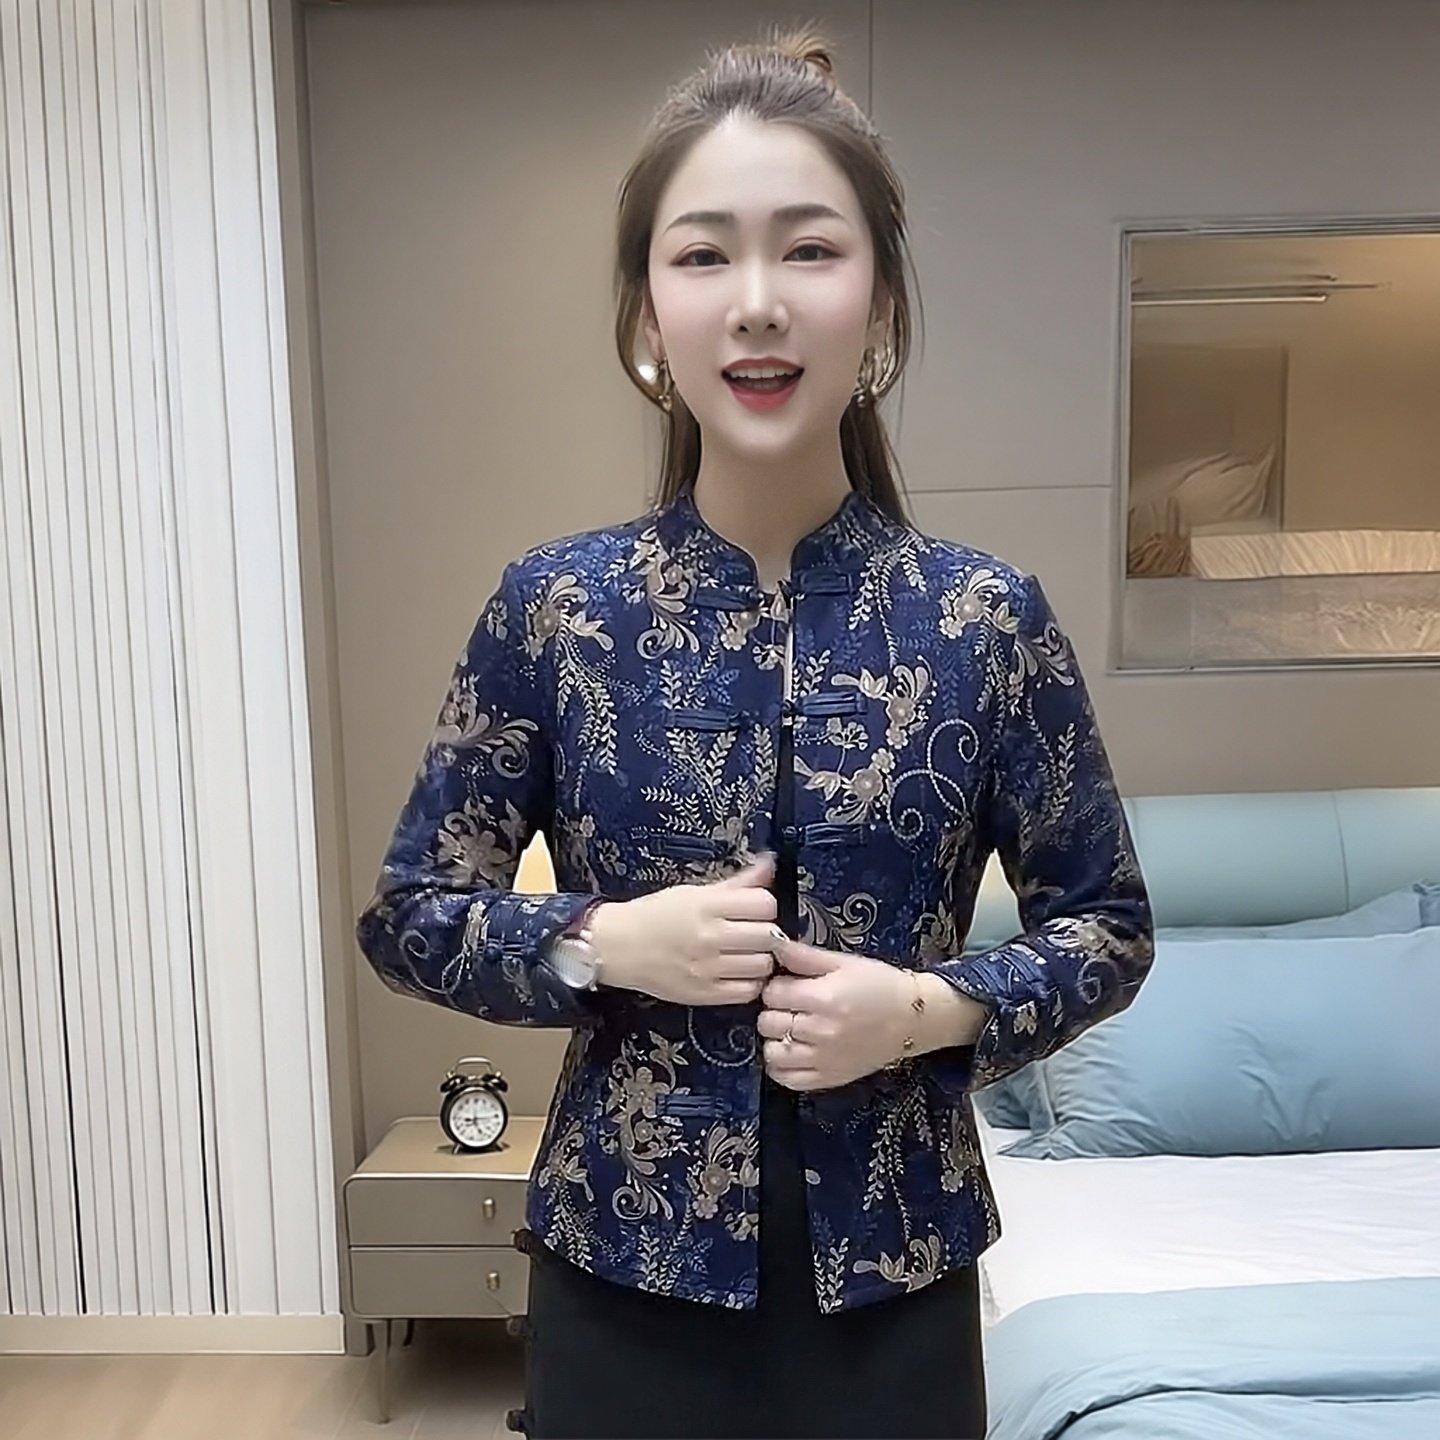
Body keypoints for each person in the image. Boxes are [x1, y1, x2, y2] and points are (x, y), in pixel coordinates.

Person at [356, 27, 1154, 1440]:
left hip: (894, 1283)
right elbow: (412, 915)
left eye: (810, 249)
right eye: (705, 255)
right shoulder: (557, 608)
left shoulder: (984, 618)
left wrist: (921, 1013)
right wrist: (607, 942)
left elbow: (1106, 927)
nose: (759, 304)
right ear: (646, 317)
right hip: (621, 1275)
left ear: (881, 303)